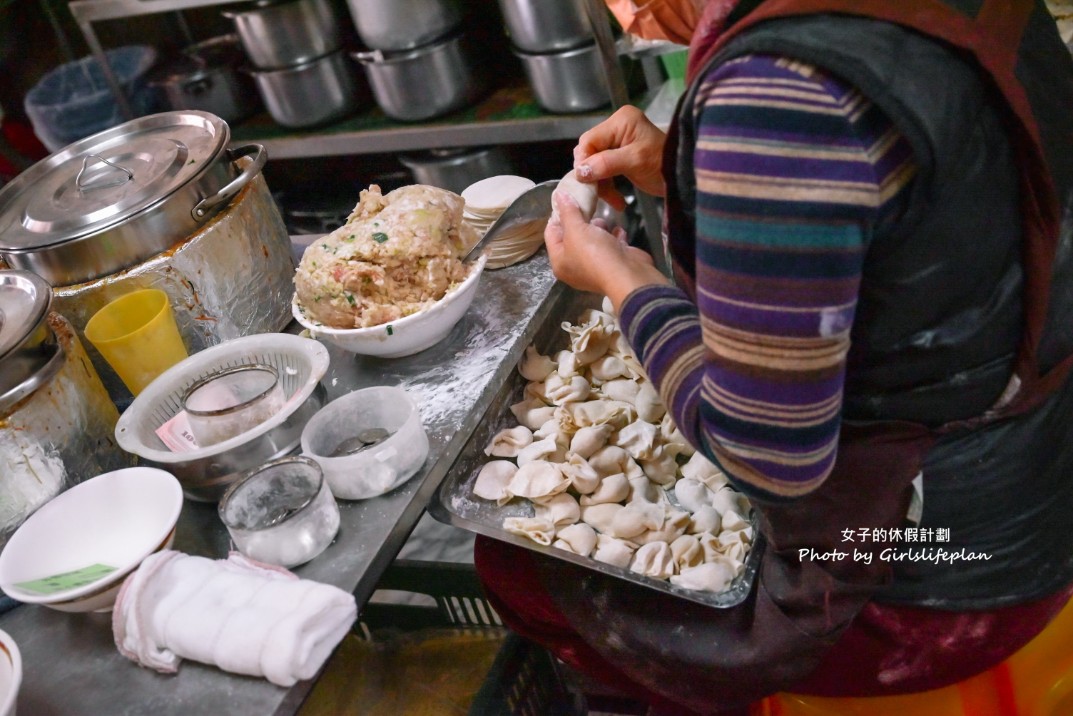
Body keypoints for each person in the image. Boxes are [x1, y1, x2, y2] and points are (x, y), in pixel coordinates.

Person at [473, 0, 1073, 713]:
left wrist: (625, 280)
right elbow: (937, 212)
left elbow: (768, 457)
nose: (626, 18)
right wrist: (702, 177)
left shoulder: (775, 95)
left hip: (939, 571)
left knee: (512, 569)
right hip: (1042, 486)